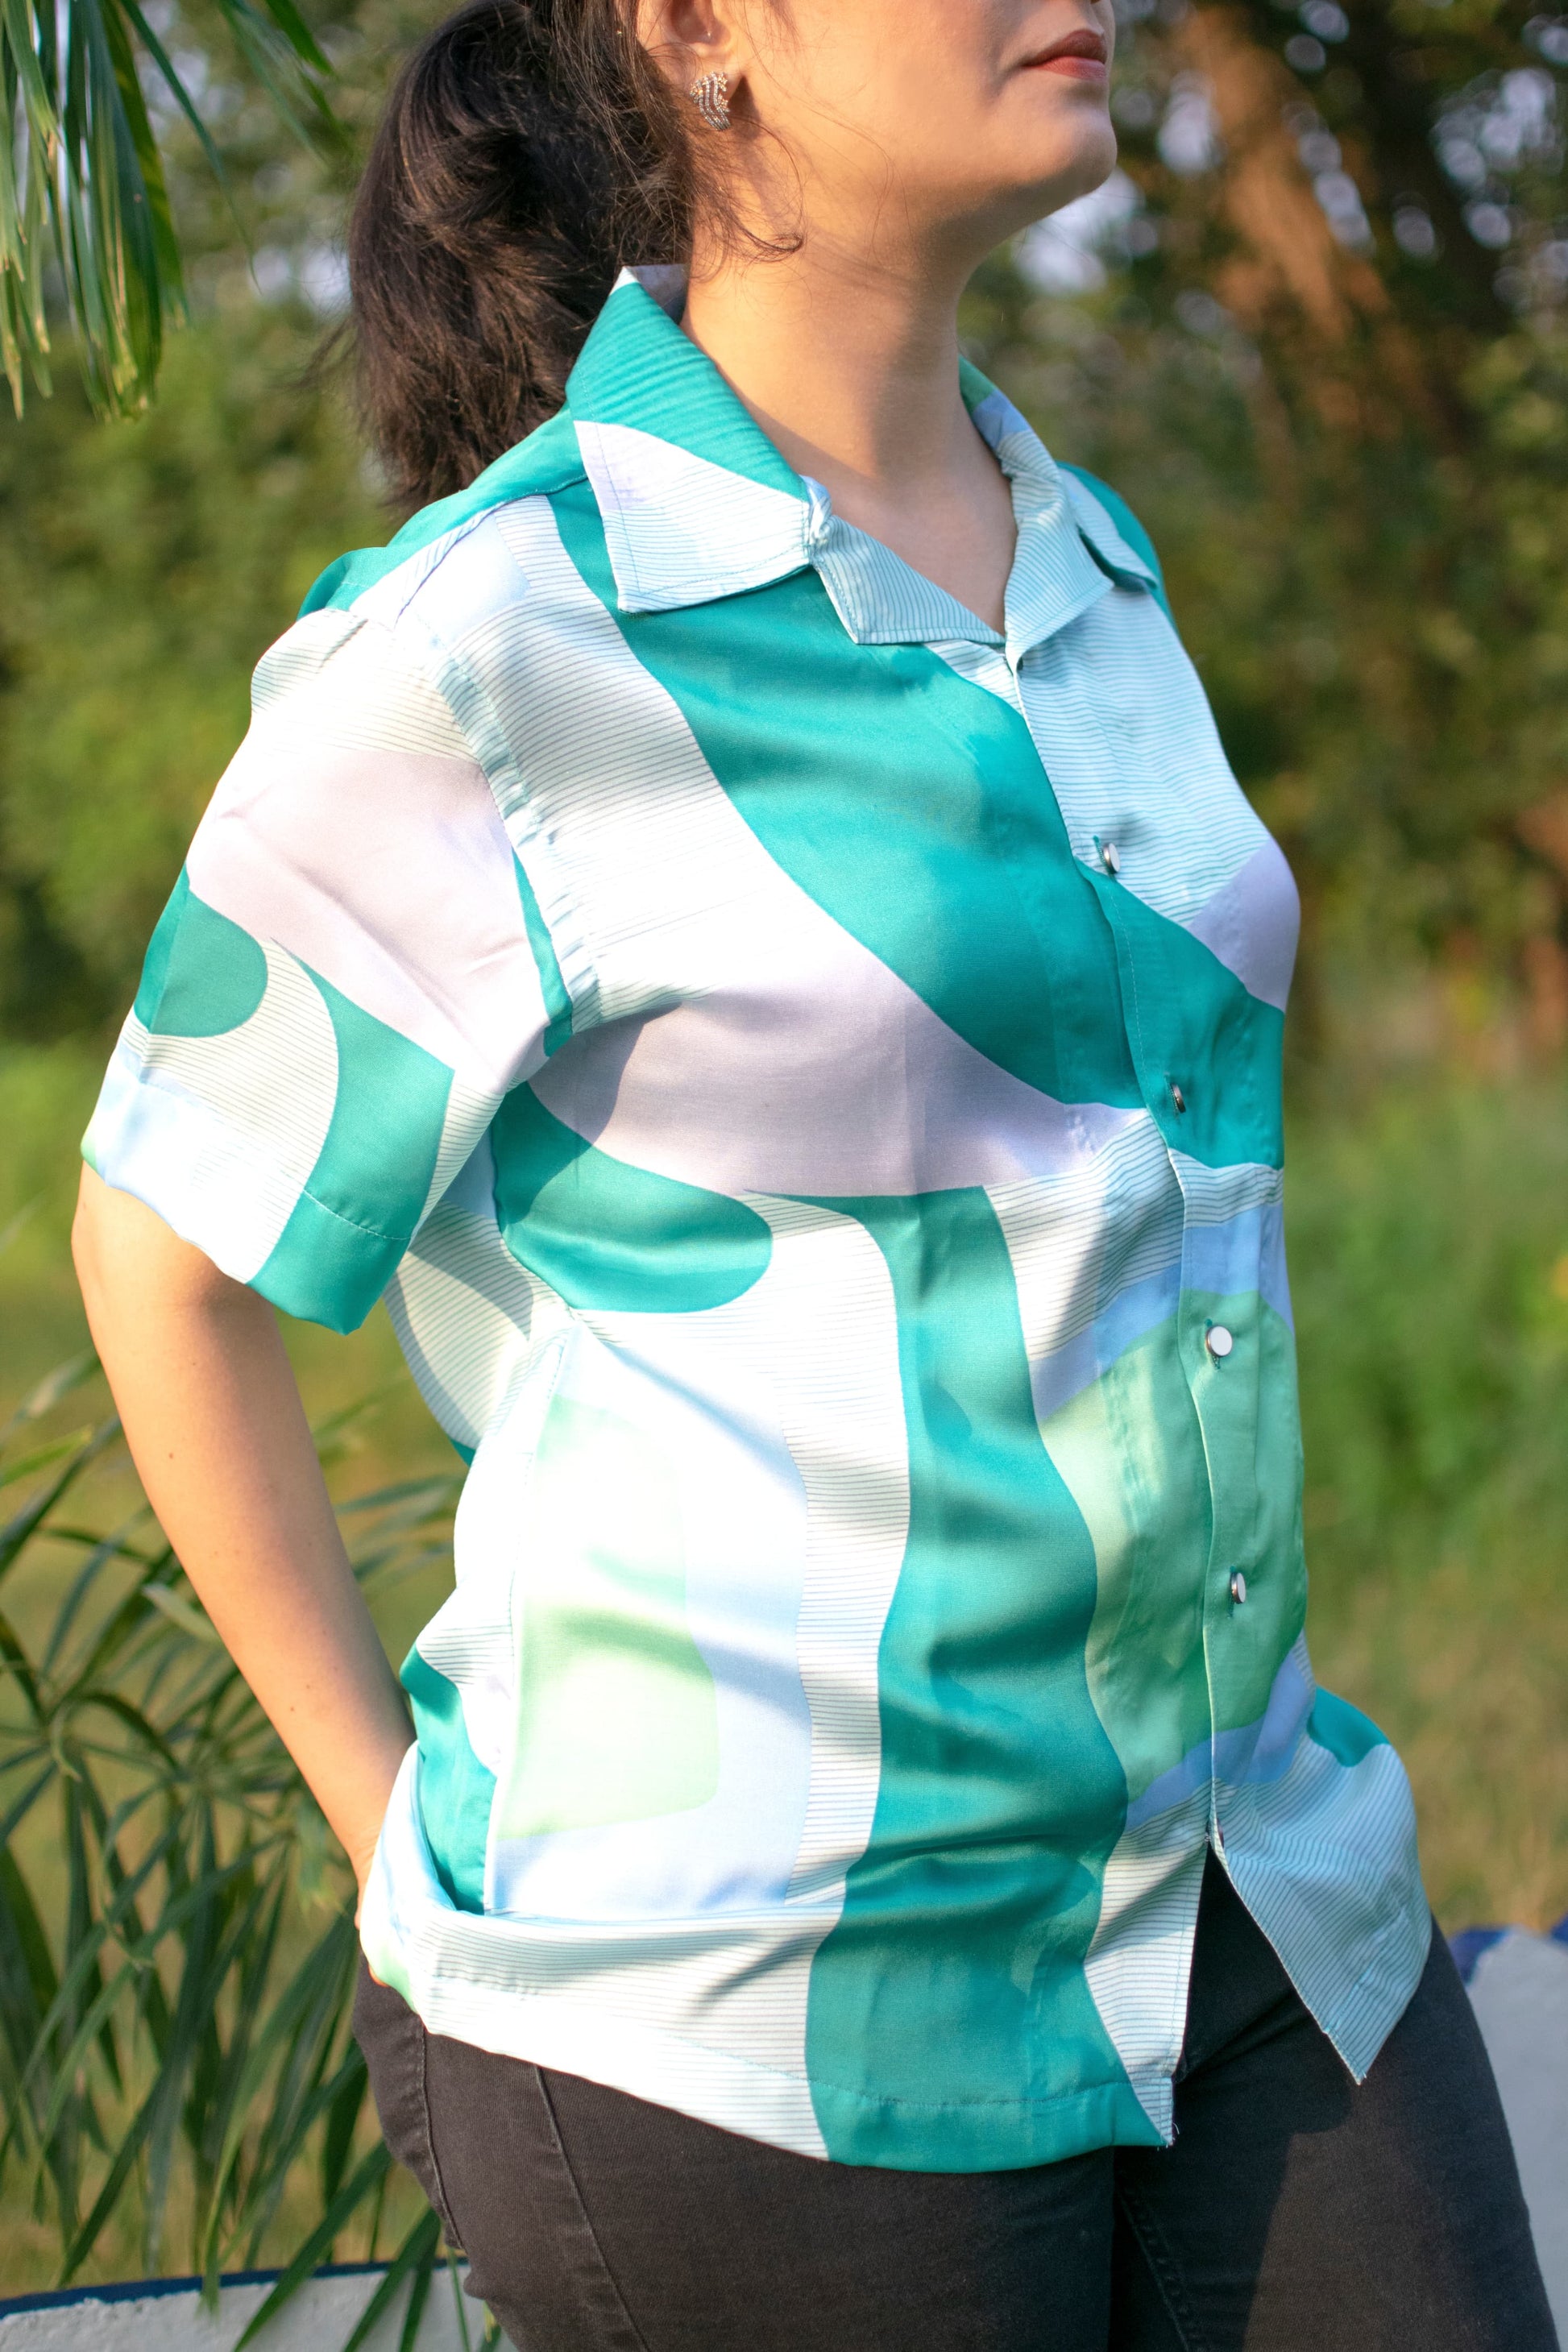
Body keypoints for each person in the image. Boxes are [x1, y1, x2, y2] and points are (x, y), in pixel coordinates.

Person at [72, 2, 1558, 2346]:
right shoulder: (495, 638)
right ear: (694, 35)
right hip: (749, 2006)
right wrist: (391, 1849)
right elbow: (164, 1248)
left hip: (1246, 1880)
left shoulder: (1092, 562)